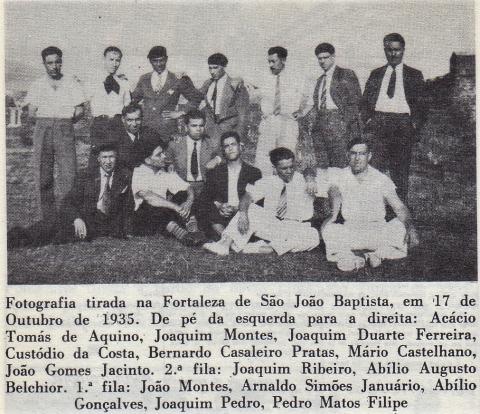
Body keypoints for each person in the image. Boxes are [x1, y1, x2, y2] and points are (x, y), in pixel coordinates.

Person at [321, 137, 420, 272]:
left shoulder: (381, 179)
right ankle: (353, 258)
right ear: (347, 155)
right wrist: (333, 216)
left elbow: (399, 207)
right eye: (353, 153)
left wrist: (411, 228)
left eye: (362, 154)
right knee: (330, 229)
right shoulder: (340, 175)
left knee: (399, 226)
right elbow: (333, 190)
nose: (357, 158)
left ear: (369, 156)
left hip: (377, 231)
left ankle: (374, 255)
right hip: (352, 231)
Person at [203, 147, 320, 256]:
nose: (289, 171)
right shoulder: (268, 181)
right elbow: (247, 197)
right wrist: (243, 214)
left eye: (291, 167)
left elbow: (312, 169)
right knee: (251, 209)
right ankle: (224, 245)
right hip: (275, 225)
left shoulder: (304, 179)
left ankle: (256, 248)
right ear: (274, 168)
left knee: (313, 237)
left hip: (299, 227)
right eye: (284, 168)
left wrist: (310, 178)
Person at [24, 46, 86, 224]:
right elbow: (31, 112)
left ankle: (71, 217)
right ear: (44, 64)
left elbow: (80, 109)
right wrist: (46, 124)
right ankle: (48, 219)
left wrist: (64, 122)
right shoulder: (37, 84)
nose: (54, 66)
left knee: (69, 173)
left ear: (61, 62)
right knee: (43, 173)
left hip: (64, 127)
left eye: (57, 62)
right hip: (43, 127)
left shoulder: (71, 83)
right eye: (50, 63)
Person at [361, 33, 427, 201]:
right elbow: (365, 100)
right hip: (379, 123)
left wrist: (413, 125)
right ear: (385, 50)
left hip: (402, 125)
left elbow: (423, 106)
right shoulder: (376, 74)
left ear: (403, 50)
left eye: (397, 50)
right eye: (389, 50)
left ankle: (398, 217)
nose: (393, 54)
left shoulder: (414, 75)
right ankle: (373, 210)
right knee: (374, 170)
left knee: (400, 173)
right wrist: (369, 120)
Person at [253, 46, 313, 176]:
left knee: (287, 159)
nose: (270, 65)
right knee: (264, 160)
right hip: (269, 122)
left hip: (287, 122)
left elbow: (310, 100)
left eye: (273, 61)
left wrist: (301, 112)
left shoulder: (297, 78)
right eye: (269, 61)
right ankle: (265, 192)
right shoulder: (264, 77)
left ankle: (287, 191)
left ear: (283, 60)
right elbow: (253, 95)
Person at [131, 144, 206, 246]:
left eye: (163, 153)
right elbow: (149, 197)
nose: (164, 156)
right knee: (150, 205)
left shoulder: (164, 171)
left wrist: (189, 200)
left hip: (164, 214)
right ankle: (182, 234)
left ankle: (193, 231)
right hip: (145, 218)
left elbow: (187, 187)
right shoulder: (139, 172)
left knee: (182, 194)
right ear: (148, 160)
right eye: (159, 155)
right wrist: (176, 207)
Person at [132, 46, 203, 142]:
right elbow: (133, 100)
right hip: (146, 130)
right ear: (150, 61)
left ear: (166, 59)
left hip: (168, 132)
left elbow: (196, 98)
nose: (158, 64)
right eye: (155, 61)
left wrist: (181, 112)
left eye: (161, 60)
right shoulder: (144, 79)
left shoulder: (177, 79)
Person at [201, 131, 261, 238]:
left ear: (240, 146)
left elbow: (256, 199)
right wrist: (220, 206)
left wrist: (238, 209)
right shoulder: (216, 172)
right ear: (223, 150)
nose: (230, 148)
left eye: (233, 144)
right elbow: (205, 197)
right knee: (205, 206)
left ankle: (227, 239)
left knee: (255, 210)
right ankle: (227, 237)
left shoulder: (254, 172)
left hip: (243, 213)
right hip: (222, 215)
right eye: (226, 146)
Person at [310, 42, 362, 168]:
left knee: (340, 165)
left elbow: (355, 102)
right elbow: (316, 104)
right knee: (323, 165)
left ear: (333, 57)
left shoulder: (345, 74)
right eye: (319, 58)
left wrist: (344, 124)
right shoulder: (320, 80)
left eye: (325, 57)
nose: (322, 61)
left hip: (339, 124)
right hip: (320, 124)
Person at [85, 46, 131, 158]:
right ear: (103, 59)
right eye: (111, 60)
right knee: (98, 159)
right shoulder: (93, 80)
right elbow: (85, 102)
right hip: (99, 125)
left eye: (117, 60)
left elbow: (127, 105)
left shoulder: (123, 83)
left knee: (120, 159)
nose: (114, 64)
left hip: (118, 125)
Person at [164, 109, 220, 197]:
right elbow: (165, 161)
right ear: (186, 127)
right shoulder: (175, 144)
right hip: (182, 187)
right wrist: (169, 165)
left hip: (204, 188)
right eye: (194, 126)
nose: (198, 129)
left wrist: (217, 159)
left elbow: (226, 155)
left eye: (201, 125)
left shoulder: (211, 143)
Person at [199, 53, 250, 149]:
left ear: (224, 67)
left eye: (215, 68)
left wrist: (240, 139)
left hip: (229, 132)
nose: (212, 71)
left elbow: (243, 115)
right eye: (210, 68)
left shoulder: (235, 85)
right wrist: (184, 77)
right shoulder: (208, 83)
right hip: (210, 132)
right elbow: (195, 96)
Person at [100, 102, 162, 171]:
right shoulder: (114, 137)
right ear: (123, 119)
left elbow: (162, 149)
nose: (134, 124)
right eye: (130, 120)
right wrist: (147, 160)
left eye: (137, 119)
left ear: (142, 118)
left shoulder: (149, 133)